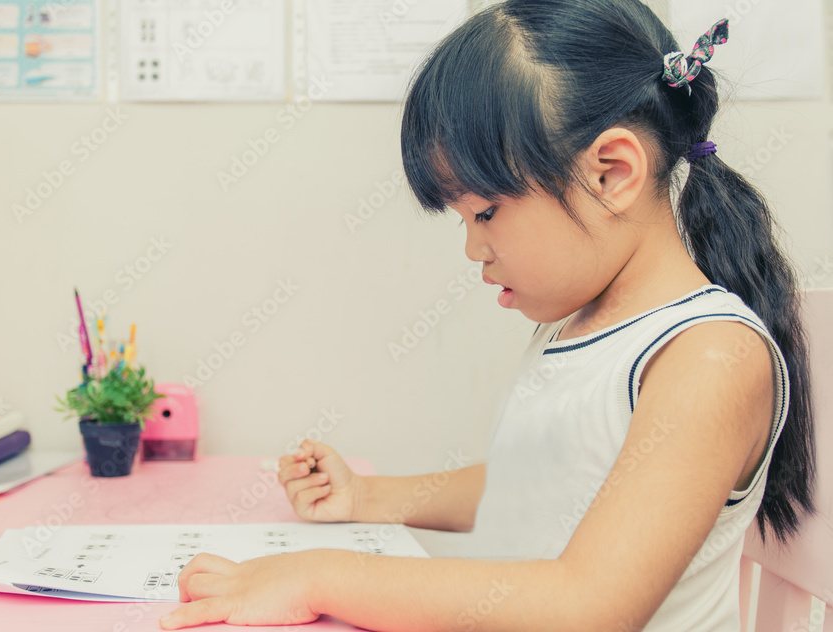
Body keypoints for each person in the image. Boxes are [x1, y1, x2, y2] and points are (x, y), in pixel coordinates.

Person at [160, 1, 815, 629]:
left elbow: (586, 607)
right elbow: (542, 487)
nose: (473, 248)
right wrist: (367, 498)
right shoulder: (579, 325)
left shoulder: (708, 358)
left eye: (485, 213)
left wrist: (315, 577)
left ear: (611, 173)